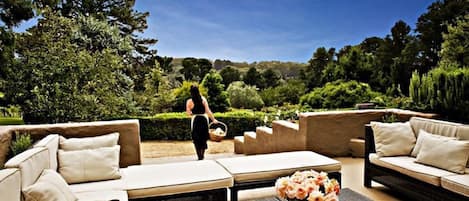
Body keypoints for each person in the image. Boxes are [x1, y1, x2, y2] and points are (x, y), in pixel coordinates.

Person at [186, 84, 218, 160]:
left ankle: (199, 156)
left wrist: (192, 113)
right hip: (204, 119)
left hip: (195, 120)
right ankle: (202, 155)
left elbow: (188, 113)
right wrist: (213, 119)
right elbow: (208, 111)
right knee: (203, 138)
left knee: (196, 138)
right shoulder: (203, 99)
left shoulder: (189, 101)